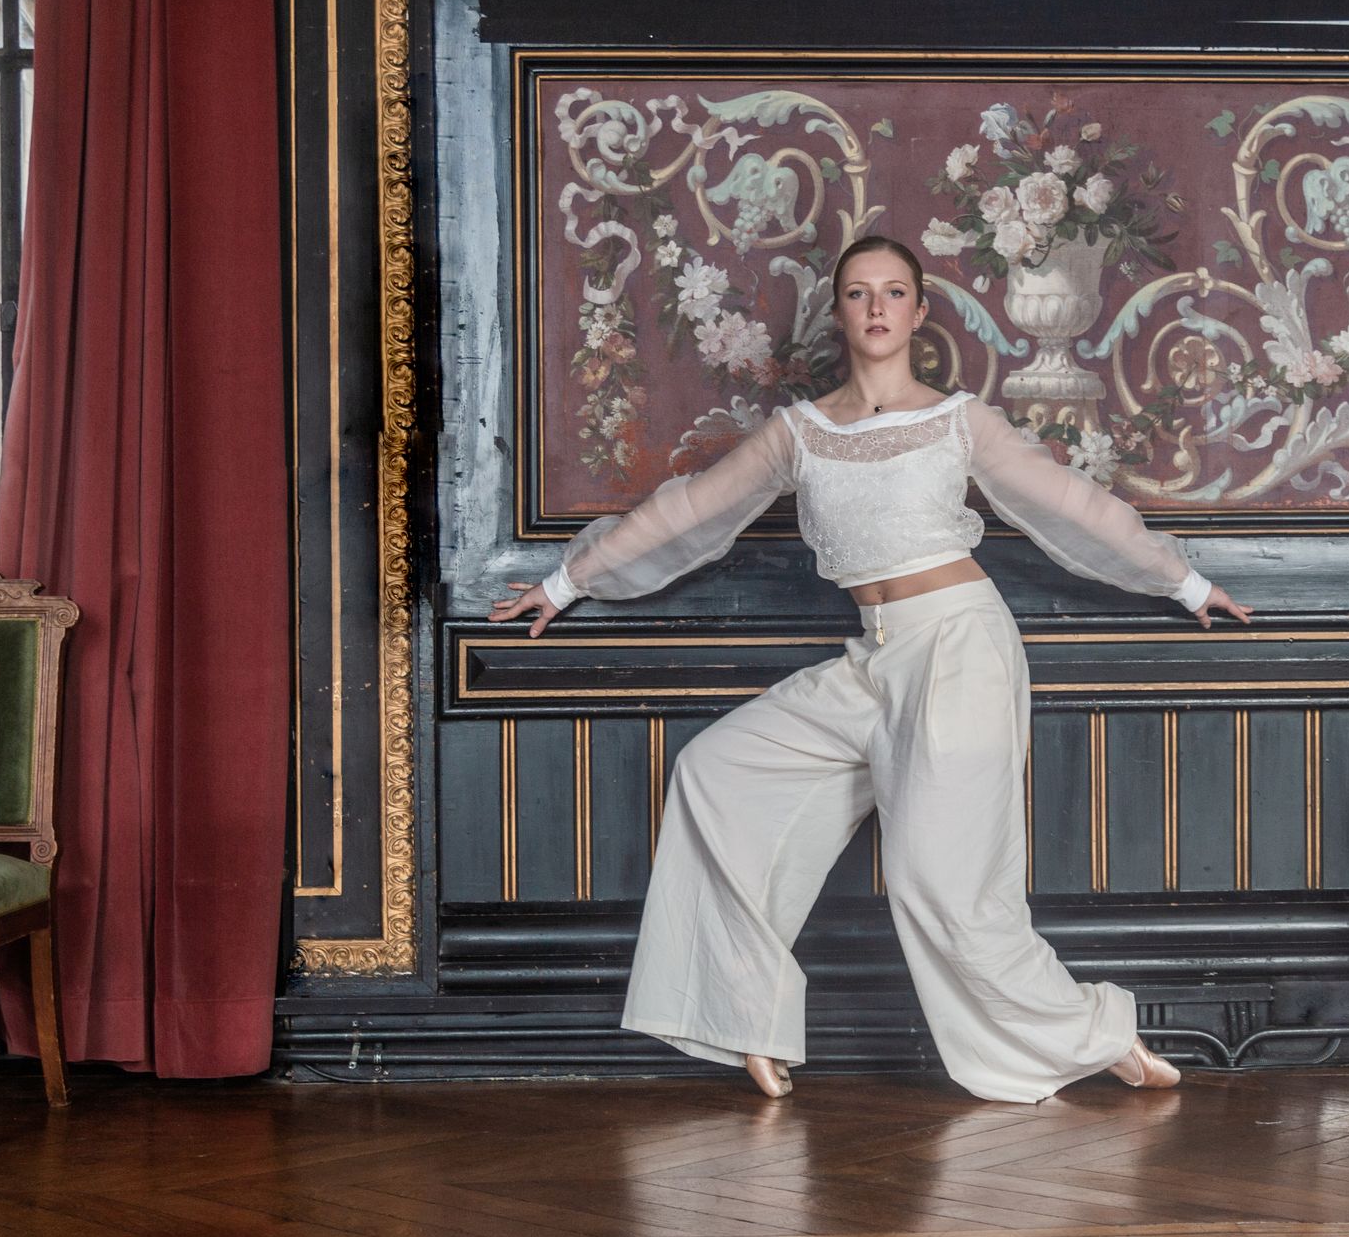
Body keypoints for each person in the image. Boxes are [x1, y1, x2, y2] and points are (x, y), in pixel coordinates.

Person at [491, 236, 1252, 1103]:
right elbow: (688, 511)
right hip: (874, 657)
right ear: (839, 313)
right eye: (859, 293)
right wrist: (565, 583)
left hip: (959, 649)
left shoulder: (958, 421)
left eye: (894, 292)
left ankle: (1096, 1034)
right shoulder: (801, 433)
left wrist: (1186, 584)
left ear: (919, 312)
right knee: (716, 771)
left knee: (942, 884)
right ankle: (745, 1017)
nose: (877, 307)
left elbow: (1075, 506)